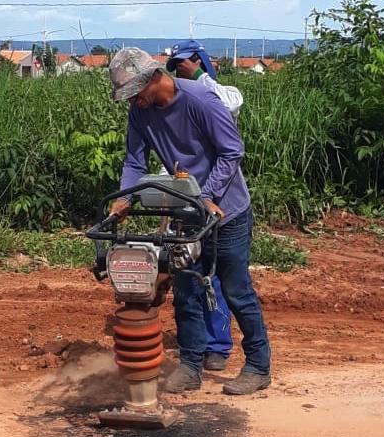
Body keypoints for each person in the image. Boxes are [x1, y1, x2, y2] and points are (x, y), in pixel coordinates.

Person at [108, 48, 271, 395]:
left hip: (227, 211)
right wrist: (124, 198)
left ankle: (258, 366)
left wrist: (207, 195)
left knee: (236, 290)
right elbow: (135, 162)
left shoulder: (201, 100)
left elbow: (232, 151)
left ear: (154, 79)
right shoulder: (141, 113)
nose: (134, 102)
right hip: (185, 210)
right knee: (186, 291)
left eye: (136, 94)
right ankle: (191, 365)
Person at [165, 39, 244, 372]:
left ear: (198, 60)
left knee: (215, 277)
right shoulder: (170, 107)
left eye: (184, 62)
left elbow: (226, 105)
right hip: (187, 194)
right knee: (186, 274)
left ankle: (218, 346)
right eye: (176, 65)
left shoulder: (220, 93)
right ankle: (194, 353)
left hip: (220, 195)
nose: (180, 69)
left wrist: (199, 75)